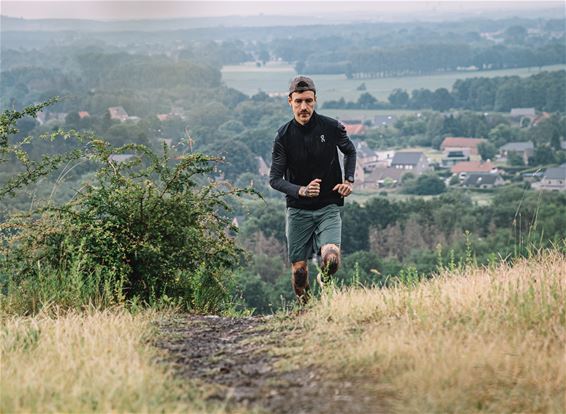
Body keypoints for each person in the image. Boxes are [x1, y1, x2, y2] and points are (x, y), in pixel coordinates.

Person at [269, 76, 357, 303]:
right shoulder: (283, 136)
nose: (304, 107)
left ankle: (325, 280)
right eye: (298, 101)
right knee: (299, 272)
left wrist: (348, 180)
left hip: (328, 205)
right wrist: (301, 191)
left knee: (332, 259)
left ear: (315, 100)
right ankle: (306, 309)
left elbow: (350, 151)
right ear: (290, 101)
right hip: (298, 210)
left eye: (308, 101)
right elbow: (275, 179)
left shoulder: (331, 127)